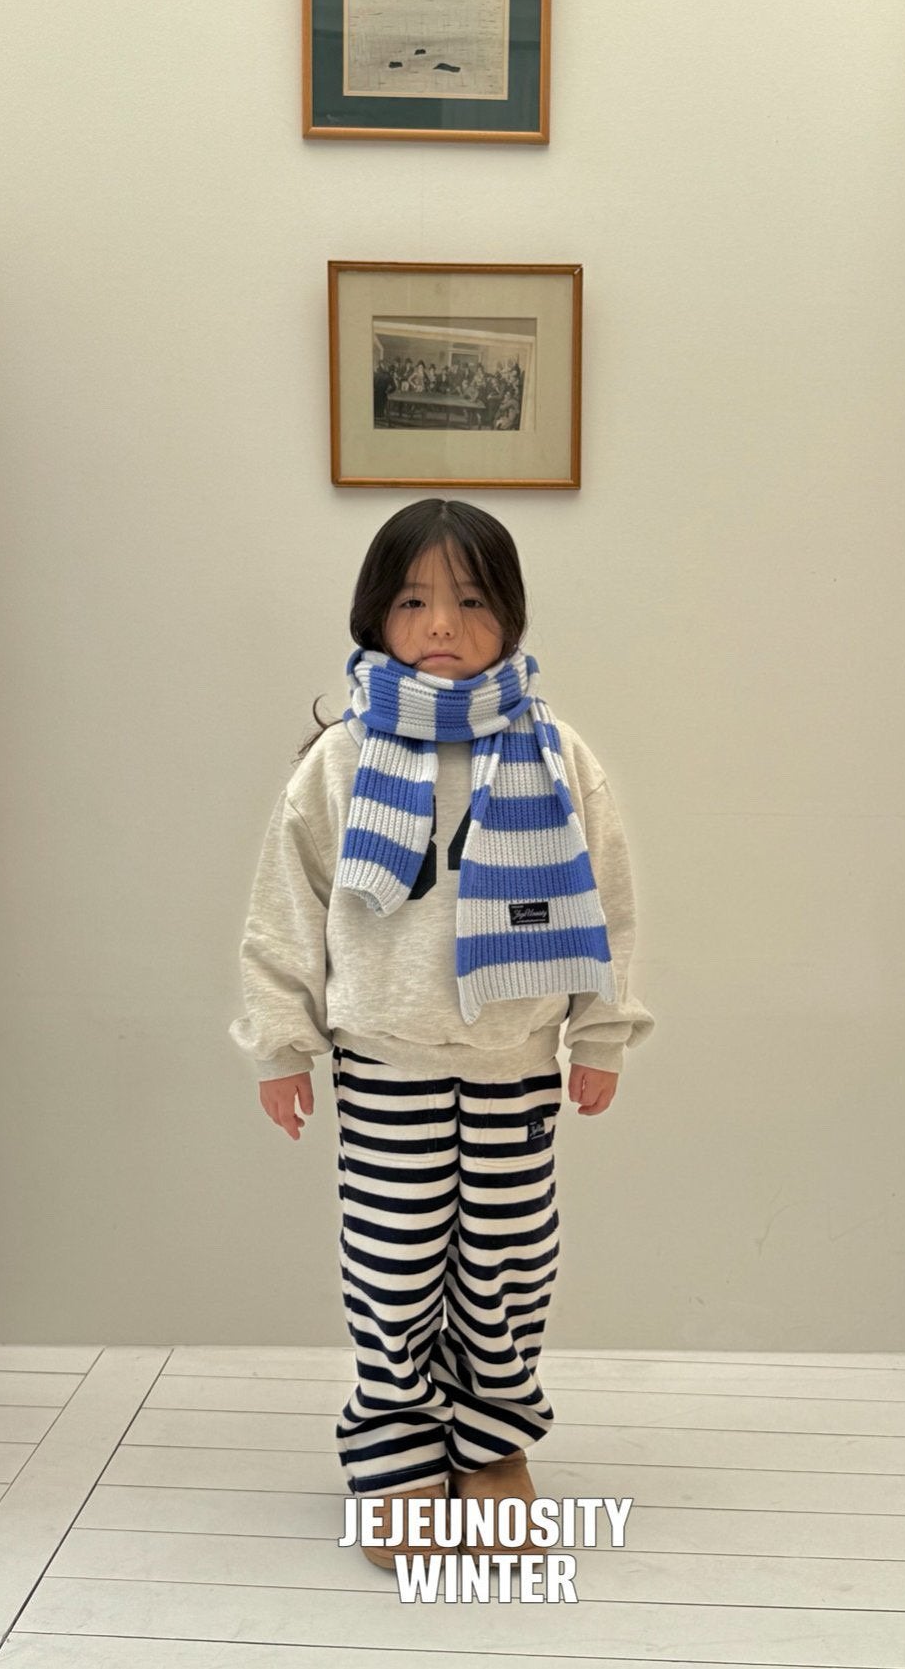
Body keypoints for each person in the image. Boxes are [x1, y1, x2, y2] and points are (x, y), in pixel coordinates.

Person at [228, 498, 655, 1570]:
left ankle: (491, 1445)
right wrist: (281, 1042)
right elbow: (286, 905)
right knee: (394, 1263)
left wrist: (600, 1034)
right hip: (385, 1063)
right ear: (376, 614)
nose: (442, 625)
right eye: (414, 600)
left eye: (470, 601)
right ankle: (397, 1452)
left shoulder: (557, 754)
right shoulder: (340, 760)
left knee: (507, 1263)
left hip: (517, 1063)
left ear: (510, 614)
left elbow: (608, 899)